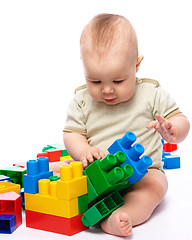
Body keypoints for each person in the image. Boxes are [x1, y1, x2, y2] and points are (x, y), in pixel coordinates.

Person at [60, 14, 190, 237]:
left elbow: (181, 120)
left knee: (156, 186)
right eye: (96, 81)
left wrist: (172, 129)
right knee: (64, 171)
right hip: (95, 173)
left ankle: (120, 215)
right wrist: (84, 151)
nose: (107, 90)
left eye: (118, 81)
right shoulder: (82, 100)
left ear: (136, 65)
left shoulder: (152, 95)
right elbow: (72, 133)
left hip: (142, 174)